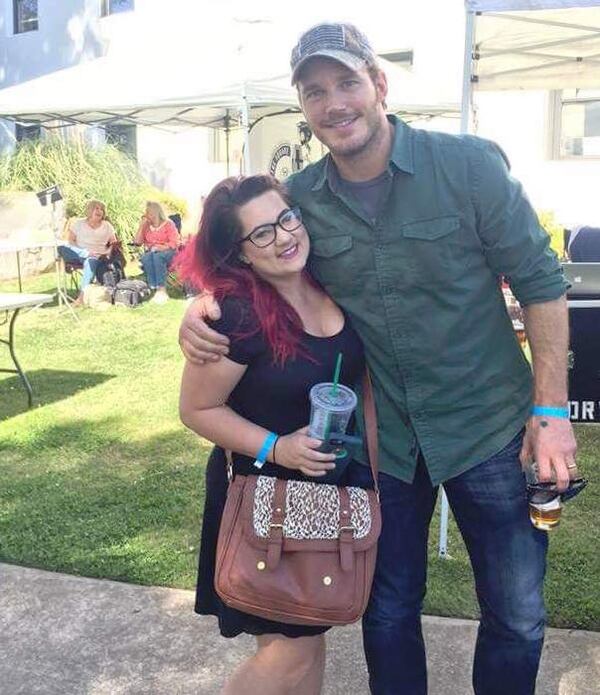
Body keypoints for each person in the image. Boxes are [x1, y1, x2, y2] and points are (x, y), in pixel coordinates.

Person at [179, 22, 578, 695]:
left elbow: (542, 283)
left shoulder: (471, 167)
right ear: (303, 110)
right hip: (381, 442)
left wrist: (550, 410)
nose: (334, 102)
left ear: (379, 84)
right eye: (314, 92)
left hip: (489, 428)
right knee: (387, 608)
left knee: (516, 613)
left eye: (346, 82)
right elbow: (246, 258)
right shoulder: (300, 201)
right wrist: (198, 310)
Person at [178, 174, 365, 695]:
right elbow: (196, 409)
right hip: (264, 498)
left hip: (323, 494)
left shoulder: (326, 280)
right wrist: (278, 446)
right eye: (261, 234)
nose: (284, 237)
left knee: (309, 635)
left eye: (286, 219)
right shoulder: (235, 315)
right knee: (290, 649)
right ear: (240, 255)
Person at [58, 199, 118, 306]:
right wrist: (83, 251)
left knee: (90, 262)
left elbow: (114, 243)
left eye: (102, 209)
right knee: (62, 247)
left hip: (97, 256)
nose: (100, 211)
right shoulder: (78, 224)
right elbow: (70, 240)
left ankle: (81, 298)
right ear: (90, 211)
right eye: (97, 208)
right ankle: (86, 254)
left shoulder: (107, 225)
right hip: (79, 253)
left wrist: (108, 252)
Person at [134, 201, 179, 303]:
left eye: (148, 212)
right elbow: (137, 242)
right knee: (146, 257)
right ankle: (153, 287)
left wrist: (161, 247)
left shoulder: (168, 224)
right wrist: (141, 226)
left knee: (157, 256)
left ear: (155, 213)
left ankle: (161, 290)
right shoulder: (146, 226)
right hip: (153, 253)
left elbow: (175, 242)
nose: (146, 215)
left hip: (169, 253)